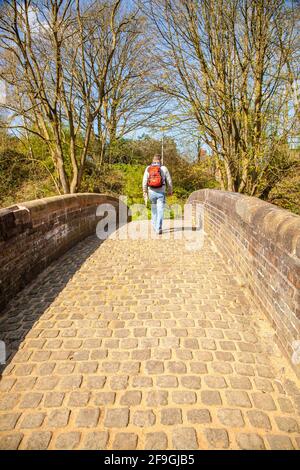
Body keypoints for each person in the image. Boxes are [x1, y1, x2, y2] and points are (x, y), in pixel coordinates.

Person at [142, 154, 173, 234]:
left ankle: (154, 226)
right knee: (160, 210)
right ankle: (158, 228)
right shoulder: (164, 168)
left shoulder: (148, 168)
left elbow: (144, 181)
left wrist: (145, 192)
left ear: (153, 160)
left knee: (154, 210)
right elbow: (169, 181)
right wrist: (170, 190)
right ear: (160, 160)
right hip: (161, 193)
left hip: (151, 192)